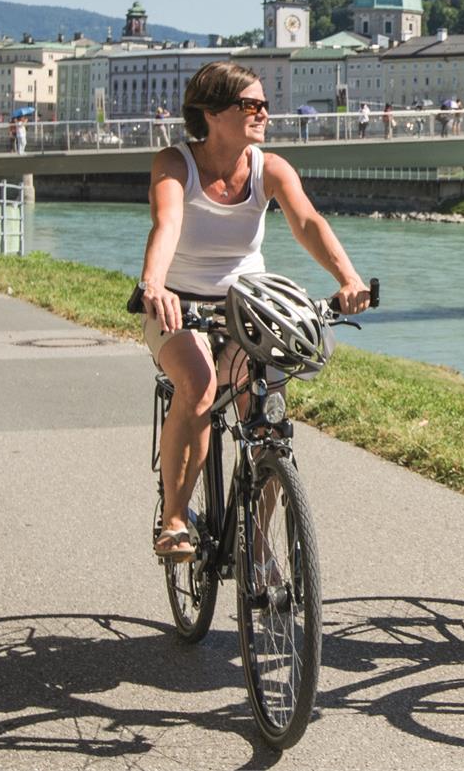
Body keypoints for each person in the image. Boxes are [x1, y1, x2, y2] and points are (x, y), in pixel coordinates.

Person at [137, 60, 369, 561]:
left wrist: (347, 278)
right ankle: (175, 520)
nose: (263, 113)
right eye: (251, 104)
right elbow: (167, 224)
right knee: (198, 386)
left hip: (249, 309)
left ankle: (258, 545)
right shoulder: (175, 163)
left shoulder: (270, 168)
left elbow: (308, 222)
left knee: (269, 427)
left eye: (265, 104)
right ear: (213, 112)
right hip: (179, 306)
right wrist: (154, 283)